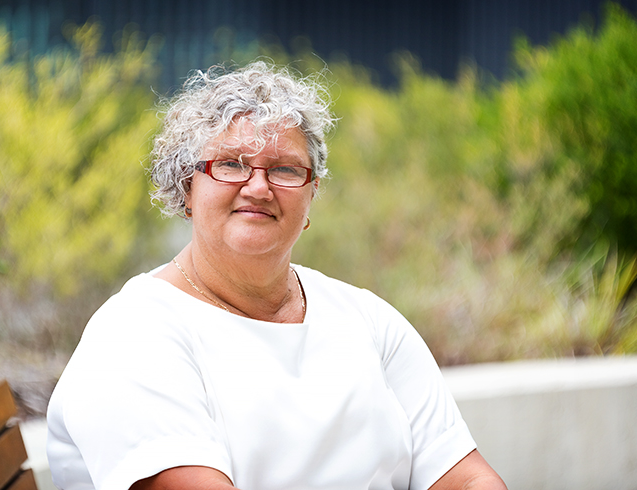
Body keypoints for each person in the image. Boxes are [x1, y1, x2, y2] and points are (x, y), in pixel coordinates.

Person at [46, 61, 507, 490]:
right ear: (187, 186)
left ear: (311, 197)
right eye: (230, 164)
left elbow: (467, 479)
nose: (259, 187)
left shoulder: (364, 318)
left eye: (285, 169)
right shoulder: (134, 335)